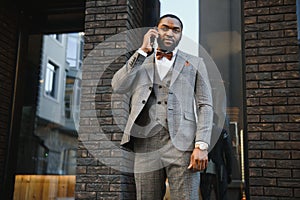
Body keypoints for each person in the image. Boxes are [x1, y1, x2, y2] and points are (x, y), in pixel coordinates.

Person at [112, 14, 213, 200]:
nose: (170, 33)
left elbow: (205, 105)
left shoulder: (196, 63)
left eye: (176, 30)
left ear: (181, 35)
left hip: (183, 145)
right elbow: (118, 86)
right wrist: (142, 50)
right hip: (146, 146)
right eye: (165, 27)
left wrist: (201, 145)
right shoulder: (141, 62)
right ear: (155, 31)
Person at [200, 115, 233, 200]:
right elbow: (228, 153)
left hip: (204, 169)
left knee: (205, 196)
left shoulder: (201, 133)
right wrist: (229, 172)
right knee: (221, 196)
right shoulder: (222, 132)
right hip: (219, 169)